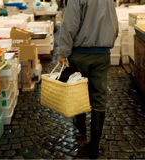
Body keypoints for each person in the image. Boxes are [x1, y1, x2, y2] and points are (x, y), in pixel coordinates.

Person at [58, 0, 118, 159]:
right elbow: (115, 26)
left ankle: (81, 134)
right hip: (103, 54)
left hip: (80, 53)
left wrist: (63, 51)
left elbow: (69, 23)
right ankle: (94, 145)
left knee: (79, 93)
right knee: (99, 96)